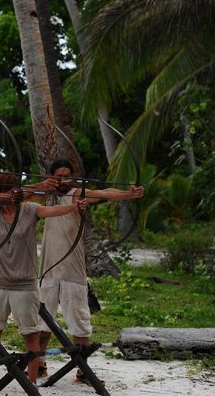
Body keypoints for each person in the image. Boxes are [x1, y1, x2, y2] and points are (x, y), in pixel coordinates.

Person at [0, 173, 88, 394]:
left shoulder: (30, 210)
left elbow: (52, 211)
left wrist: (74, 207)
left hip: (24, 285)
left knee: (31, 335)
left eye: (13, 190)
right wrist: (32, 187)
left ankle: (31, 382)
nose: (10, 195)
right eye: (5, 191)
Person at [37, 158, 144, 384]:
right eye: (59, 175)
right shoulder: (44, 195)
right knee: (42, 321)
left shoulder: (78, 194)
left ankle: (82, 370)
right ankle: (38, 365)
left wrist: (128, 195)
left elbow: (105, 193)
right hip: (48, 269)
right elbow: (16, 195)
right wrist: (41, 186)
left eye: (67, 174)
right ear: (51, 177)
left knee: (79, 322)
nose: (63, 178)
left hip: (72, 271)